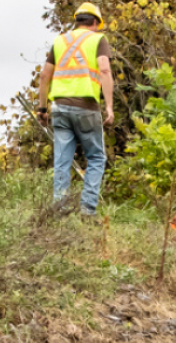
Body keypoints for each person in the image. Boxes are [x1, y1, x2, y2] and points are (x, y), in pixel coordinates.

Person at [36, 3, 117, 215]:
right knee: (97, 158)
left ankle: (60, 210)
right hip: (87, 107)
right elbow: (105, 70)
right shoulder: (98, 40)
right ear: (96, 22)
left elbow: (44, 76)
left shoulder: (60, 41)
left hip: (60, 108)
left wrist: (42, 109)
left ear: (77, 20)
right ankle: (87, 210)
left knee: (62, 160)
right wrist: (109, 107)